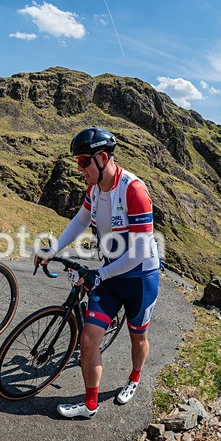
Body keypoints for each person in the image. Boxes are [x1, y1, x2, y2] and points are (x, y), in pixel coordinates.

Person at [34, 127, 160, 419]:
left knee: (137, 338)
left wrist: (100, 275)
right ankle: (90, 404)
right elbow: (80, 221)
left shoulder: (133, 190)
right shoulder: (93, 189)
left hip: (141, 276)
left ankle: (135, 377)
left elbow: (139, 253)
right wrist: (53, 249)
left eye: (83, 162)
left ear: (103, 158)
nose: (80, 169)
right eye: (78, 162)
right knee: (89, 338)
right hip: (112, 275)